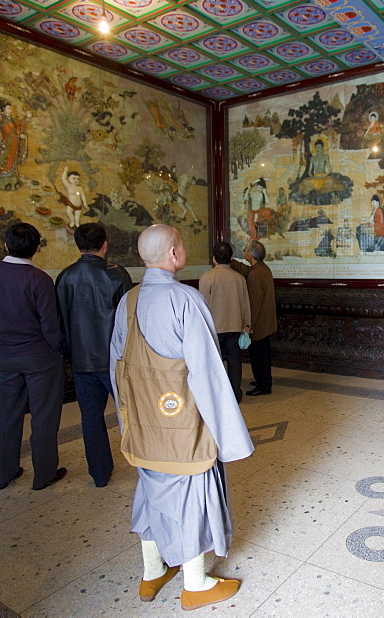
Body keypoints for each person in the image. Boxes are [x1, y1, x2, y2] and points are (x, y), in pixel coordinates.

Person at [109, 224, 254, 609]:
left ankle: (153, 571)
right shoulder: (185, 299)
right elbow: (207, 373)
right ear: (174, 254)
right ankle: (195, 584)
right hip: (181, 423)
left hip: (143, 420)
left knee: (151, 488)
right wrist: (229, 436)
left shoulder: (130, 300)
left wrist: (127, 421)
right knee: (190, 493)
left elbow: (116, 369)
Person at [0, 223, 67, 491]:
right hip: (40, 357)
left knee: (6, 415)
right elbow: (50, 324)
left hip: (6, 355)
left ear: (5, 246)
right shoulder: (39, 279)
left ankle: (3, 474)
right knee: (44, 416)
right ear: (37, 248)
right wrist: (59, 349)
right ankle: (44, 475)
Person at [55, 223, 133, 487]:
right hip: (114, 358)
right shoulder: (117, 274)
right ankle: (145, 462)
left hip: (81, 359)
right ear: (105, 244)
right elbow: (128, 318)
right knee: (131, 411)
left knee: (90, 417)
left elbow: (61, 321)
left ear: (78, 245)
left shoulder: (65, 277)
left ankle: (99, 474)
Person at [198, 240, 252, 402]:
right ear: (230, 258)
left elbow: (203, 306)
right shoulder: (239, 278)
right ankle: (235, 394)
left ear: (214, 258)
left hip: (215, 329)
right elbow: (245, 304)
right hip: (235, 327)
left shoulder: (206, 278)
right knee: (235, 363)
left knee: (214, 364)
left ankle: (217, 396)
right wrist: (247, 325)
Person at [232, 240, 277, 396]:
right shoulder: (262, 269)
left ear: (250, 254)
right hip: (266, 323)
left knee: (258, 358)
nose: (244, 251)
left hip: (259, 325)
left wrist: (249, 325)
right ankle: (264, 380)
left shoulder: (256, 274)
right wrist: (230, 261)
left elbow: (254, 303)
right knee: (263, 355)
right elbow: (246, 270)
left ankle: (263, 386)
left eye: (245, 250)